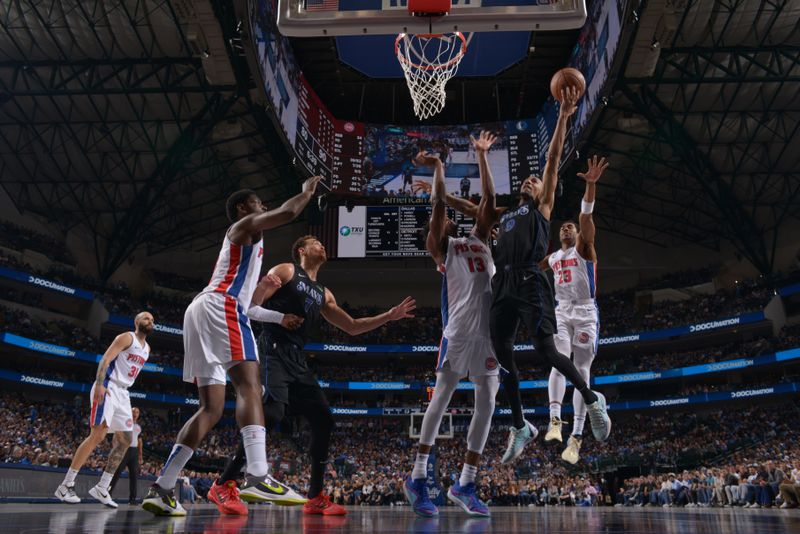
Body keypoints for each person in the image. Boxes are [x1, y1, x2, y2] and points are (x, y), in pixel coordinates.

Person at [442, 87, 610, 464]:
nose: (530, 181)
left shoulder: (544, 207)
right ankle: (521, 426)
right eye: (527, 181)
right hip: (502, 282)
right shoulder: (503, 215)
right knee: (500, 355)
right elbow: (473, 204)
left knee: (547, 351)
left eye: (535, 181)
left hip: (531, 281)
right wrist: (442, 192)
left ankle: (589, 397)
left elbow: (551, 159)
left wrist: (564, 116)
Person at [142, 177, 322, 517]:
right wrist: (307, 192)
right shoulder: (244, 226)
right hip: (222, 306)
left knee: (210, 409)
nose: (263, 208)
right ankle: (257, 475)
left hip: (201, 311)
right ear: (242, 208)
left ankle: (162, 488)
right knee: (251, 386)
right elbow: (287, 211)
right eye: (258, 203)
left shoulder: (247, 240)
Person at [214, 235, 416, 516]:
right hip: (273, 348)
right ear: (301, 250)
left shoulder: (324, 293)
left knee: (324, 420)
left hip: (297, 359)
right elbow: (249, 308)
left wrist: (388, 316)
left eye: (323, 242)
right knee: (272, 414)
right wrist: (280, 318)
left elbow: (353, 326)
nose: (322, 245)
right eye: (316, 242)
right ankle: (225, 483)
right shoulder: (286, 271)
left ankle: (316, 497)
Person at [403, 132, 500, 519]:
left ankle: (465, 482)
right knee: (441, 398)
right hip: (458, 331)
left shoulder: (482, 240)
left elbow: (489, 204)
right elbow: (439, 206)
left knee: (488, 403)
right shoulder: (445, 248)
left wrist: (481, 156)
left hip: (489, 337)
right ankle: (418, 476)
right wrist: (440, 168)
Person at [543, 155, 609, 464]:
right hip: (561, 310)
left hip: (585, 312)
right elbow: (529, 265)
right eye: (564, 227)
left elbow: (585, 219)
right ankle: (555, 420)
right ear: (559, 235)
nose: (568, 228)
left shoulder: (585, 247)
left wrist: (590, 187)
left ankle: (578, 435)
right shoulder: (554, 257)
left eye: (571, 227)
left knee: (582, 370)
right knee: (558, 362)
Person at [55, 312, 155, 508]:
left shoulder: (147, 349)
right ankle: (66, 485)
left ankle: (102, 487)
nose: (149, 321)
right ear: (136, 322)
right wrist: (100, 384)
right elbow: (105, 360)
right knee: (98, 435)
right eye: (145, 318)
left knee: (126, 439)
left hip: (124, 393)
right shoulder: (127, 337)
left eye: (152, 320)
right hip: (108, 387)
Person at [109, 406, 143, 504]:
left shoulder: (139, 426)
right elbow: (116, 436)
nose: (135, 414)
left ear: (138, 415)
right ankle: (108, 494)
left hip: (134, 452)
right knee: (117, 473)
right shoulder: (124, 422)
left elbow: (140, 441)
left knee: (134, 476)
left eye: (137, 412)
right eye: (133, 411)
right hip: (124, 450)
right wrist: (116, 449)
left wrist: (140, 455)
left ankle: (132, 499)